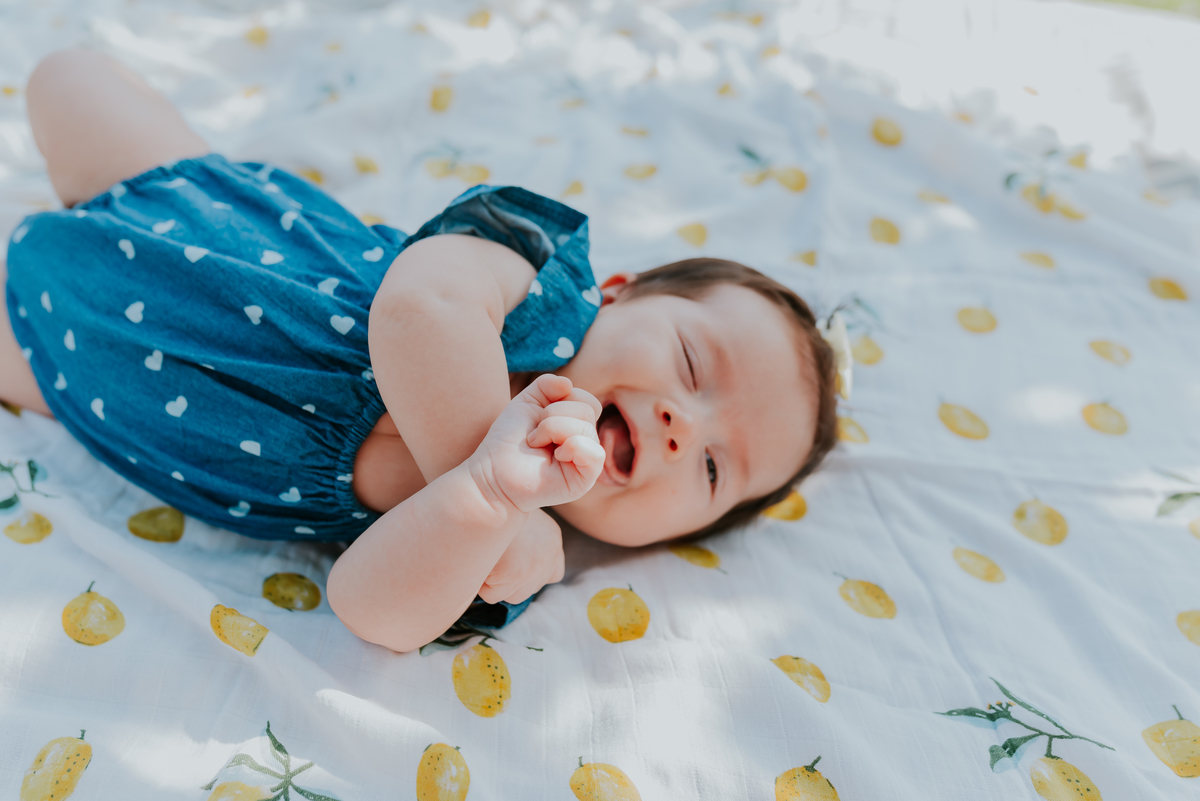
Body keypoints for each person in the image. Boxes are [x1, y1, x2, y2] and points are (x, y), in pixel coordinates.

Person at [0, 49, 839, 653]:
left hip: (91, 377)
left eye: (714, 471)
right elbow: (419, 311)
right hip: (193, 219)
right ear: (618, 290)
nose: (681, 428)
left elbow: (371, 610)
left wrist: (484, 503)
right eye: (693, 366)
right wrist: (485, 459)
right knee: (67, 78)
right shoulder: (537, 274)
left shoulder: (516, 555)